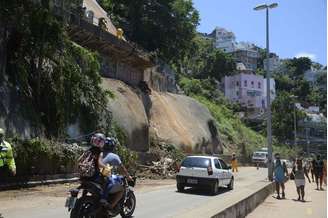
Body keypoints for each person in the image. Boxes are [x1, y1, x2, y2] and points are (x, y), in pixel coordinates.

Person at [100, 137, 133, 210]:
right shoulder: (114, 156)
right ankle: (111, 206)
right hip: (104, 180)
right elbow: (122, 168)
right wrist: (128, 176)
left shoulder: (99, 154)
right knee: (122, 189)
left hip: (97, 180)